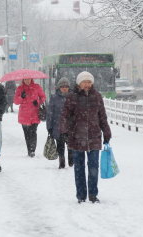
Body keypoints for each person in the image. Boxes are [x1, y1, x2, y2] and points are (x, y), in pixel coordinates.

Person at [60, 71, 111, 204]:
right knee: (79, 168)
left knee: (94, 167)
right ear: (79, 83)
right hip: (77, 137)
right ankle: (81, 196)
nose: (87, 84)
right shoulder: (72, 97)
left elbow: (102, 117)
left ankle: (93, 195)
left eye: (89, 82)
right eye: (84, 82)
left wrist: (106, 132)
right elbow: (65, 116)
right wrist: (65, 131)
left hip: (94, 137)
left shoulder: (97, 97)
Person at [14, 78, 46, 157]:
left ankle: (32, 150)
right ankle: (29, 149)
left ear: (31, 79)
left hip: (34, 114)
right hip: (24, 115)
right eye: (25, 79)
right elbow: (16, 101)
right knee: (27, 134)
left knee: (33, 132)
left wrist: (38, 102)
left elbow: (43, 97)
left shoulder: (36, 87)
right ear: (23, 80)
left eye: (29, 79)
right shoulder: (20, 88)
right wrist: (21, 97)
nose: (27, 81)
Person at [46, 77, 73, 169]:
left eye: (66, 86)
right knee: (60, 146)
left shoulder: (73, 97)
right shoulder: (54, 98)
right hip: (58, 127)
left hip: (71, 127)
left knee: (71, 146)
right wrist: (49, 127)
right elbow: (50, 113)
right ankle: (62, 162)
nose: (64, 88)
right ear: (59, 87)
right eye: (62, 86)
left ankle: (71, 160)